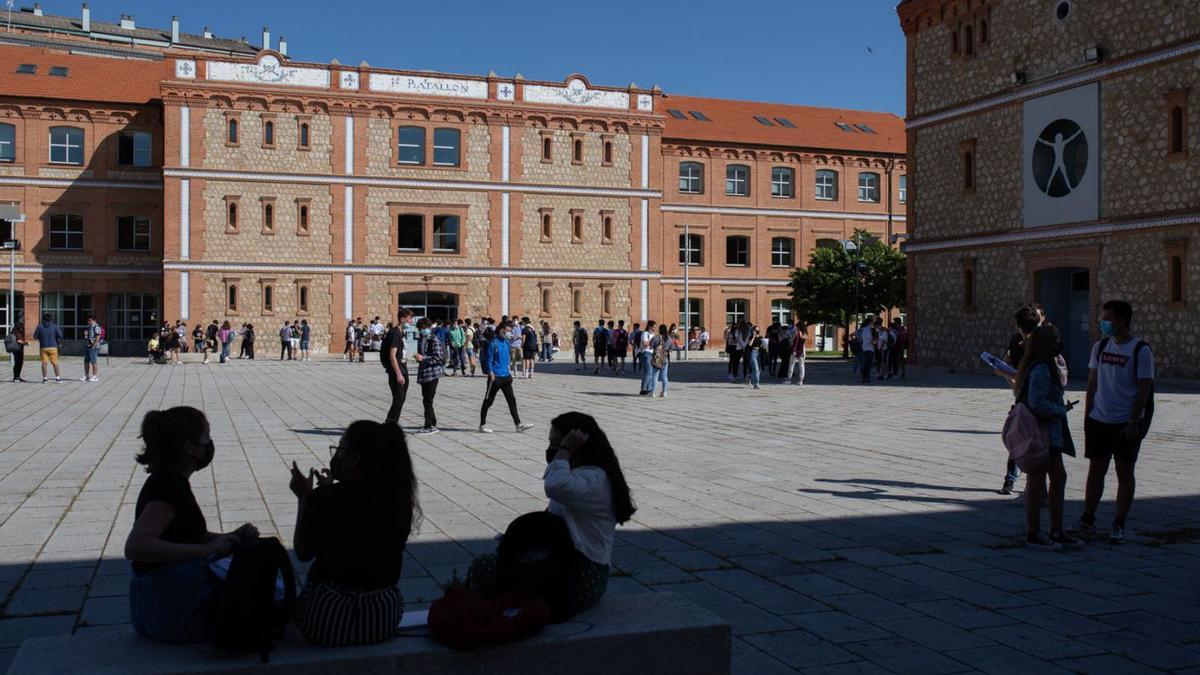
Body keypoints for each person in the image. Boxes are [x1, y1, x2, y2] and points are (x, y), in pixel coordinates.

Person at [468, 412, 636, 615]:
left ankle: (480, 615)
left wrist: (564, 450)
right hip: (563, 563)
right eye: (552, 443)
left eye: (558, 443)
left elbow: (555, 485)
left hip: (581, 576)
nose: (552, 449)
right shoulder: (579, 475)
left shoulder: (594, 479)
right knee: (500, 562)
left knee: (486, 568)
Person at [125, 407, 259, 643]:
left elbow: (185, 534)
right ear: (189, 447)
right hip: (167, 608)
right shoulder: (169, 486)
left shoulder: (170, 479)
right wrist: (206, 550)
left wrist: (229, 537)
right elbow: (137, 546)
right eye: (206, 437)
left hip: (157, 604)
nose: (209, 444)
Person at [289, 420, 418, 646]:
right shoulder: (398, 500)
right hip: (381, 617)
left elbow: (302, 552)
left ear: (355, 459)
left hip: (325, 618)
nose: (337, 455)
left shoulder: (325, 499)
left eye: (340, 449)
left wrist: (305, 498)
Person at [1071, 300, 1154, 545]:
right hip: (1099, 419)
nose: (1103, 323)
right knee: (1096, 470)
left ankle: (1119, 524)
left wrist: (1133, 422)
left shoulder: (1141, 351)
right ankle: (1088, 518)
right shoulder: (1100, 346)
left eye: (1108, 319)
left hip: (1124, 422)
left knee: (1124, 472)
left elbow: (1143, 390)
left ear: (1122, 320)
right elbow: (1092, 383)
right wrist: (1088, 416)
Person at [1012, 324, 1081, 549]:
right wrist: (1061, 410)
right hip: (1043, 433)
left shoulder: (1039, 366)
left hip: (1048, 434)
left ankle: (1055, 529)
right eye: (1055, 340)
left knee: (1056, 478)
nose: (1058, 343)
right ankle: (1036, 532)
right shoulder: (1041, 369)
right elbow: (1037, 402)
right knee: (1038, 481)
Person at [997, 306, 1041, 495]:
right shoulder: (1018, 341)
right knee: (1019, 438)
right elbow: (1006, 361)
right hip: (1025, 397)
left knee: (1026, 439)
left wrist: (1013, 378)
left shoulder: (1041, 343)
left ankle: (1033, 485)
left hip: (1033, 399)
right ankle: (1013, 479)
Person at [480, 321, 535, 434]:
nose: (510, 333)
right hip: (495, 378)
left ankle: (518, 425)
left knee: (512, 401)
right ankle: (482, 425)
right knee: (488, 401)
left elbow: (507, 358)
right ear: (502, 330)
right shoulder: (493, 343)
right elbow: (489, 360)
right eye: (509, 331)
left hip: (506, 377)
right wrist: (491, 373)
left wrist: (509, 371)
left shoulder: (506, 342)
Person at [413, 318, 444, 434]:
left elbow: (438, 357)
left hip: (432, 373)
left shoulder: (434, 340)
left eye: (423, 328)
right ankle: (429, 423)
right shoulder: (422, 339)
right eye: (420, 329)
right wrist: (418, 358)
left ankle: (431, 425)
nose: (422, 331)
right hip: (424, 373)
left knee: (428, 400)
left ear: (429, 328)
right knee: (426, 400)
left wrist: (423, 358)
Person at [382, 309, 412, 425]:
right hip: (397, 371)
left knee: (401, 398)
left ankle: (392, 422)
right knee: (399, 398)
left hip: (403, 368)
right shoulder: (395, 333)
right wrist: (398, 374)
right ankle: (390, 423)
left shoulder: (401, 332)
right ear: (402, 319)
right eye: (409, 319)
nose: (411, 321)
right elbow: (392, 355)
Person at [32, 313, 63, 383]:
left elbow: (34, 336)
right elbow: (61, 336)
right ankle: (58, 378)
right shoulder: (54, 326)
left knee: (44, 363)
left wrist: (41, 337)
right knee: (55, 363)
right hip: (53, 347)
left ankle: (45, 378)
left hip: (43, 347)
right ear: (51, 319)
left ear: (43, 319)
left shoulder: (40, 326)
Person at [650, 323, 672, 398]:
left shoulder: (656, 337)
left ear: (660, 330)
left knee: (655, 376)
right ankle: (664, 392)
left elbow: (651, 346)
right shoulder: (669, 339)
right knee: (664, 376)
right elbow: (670, 349)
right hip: (665, 359)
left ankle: (653, 392)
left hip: (657, 358)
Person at [81, 315, 102, 382]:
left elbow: (98, 337)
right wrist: (86, 335)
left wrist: (94, 346)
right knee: (86, 361)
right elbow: (88, 337)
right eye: (88, 320)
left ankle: (95, 376)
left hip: (93, 346)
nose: (89, 322)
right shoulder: (90, 327)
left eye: (90, 320)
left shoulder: (96, 327)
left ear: (94, 320)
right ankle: (87, 376)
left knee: (93, 361)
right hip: (88, 346)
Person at [638, 321, 657, 395]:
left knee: (650, 373)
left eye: (655, 327)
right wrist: (652, 340)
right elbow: (645, 344)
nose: (655, 329)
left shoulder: (653, 335)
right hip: (646, 354)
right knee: (648, 372)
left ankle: (648, 389)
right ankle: (643, 389)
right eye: (653, 327)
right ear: (649, 327)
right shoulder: (645, 334)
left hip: (652, 354)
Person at [858, 317, 875, 384]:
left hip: (865, 348)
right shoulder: (867, 330)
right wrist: (874, 341)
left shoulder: (865, 330)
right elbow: (869, 340)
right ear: (870, 323)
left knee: (866, 364)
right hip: (869, 349)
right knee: (868, 364)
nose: (872, 324)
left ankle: (864, 377)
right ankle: (866, 377)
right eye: (872, 323)